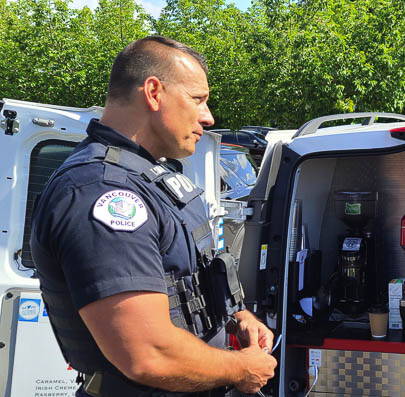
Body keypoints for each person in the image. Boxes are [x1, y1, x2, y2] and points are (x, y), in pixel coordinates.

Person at [30, 36, 277, 397]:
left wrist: (238, 318)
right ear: (153, 92)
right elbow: (147, 354)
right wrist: (242, 368)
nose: (208, 118)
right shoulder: (103, 192)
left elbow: (188, 281)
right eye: (198, 99)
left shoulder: (151, 179)